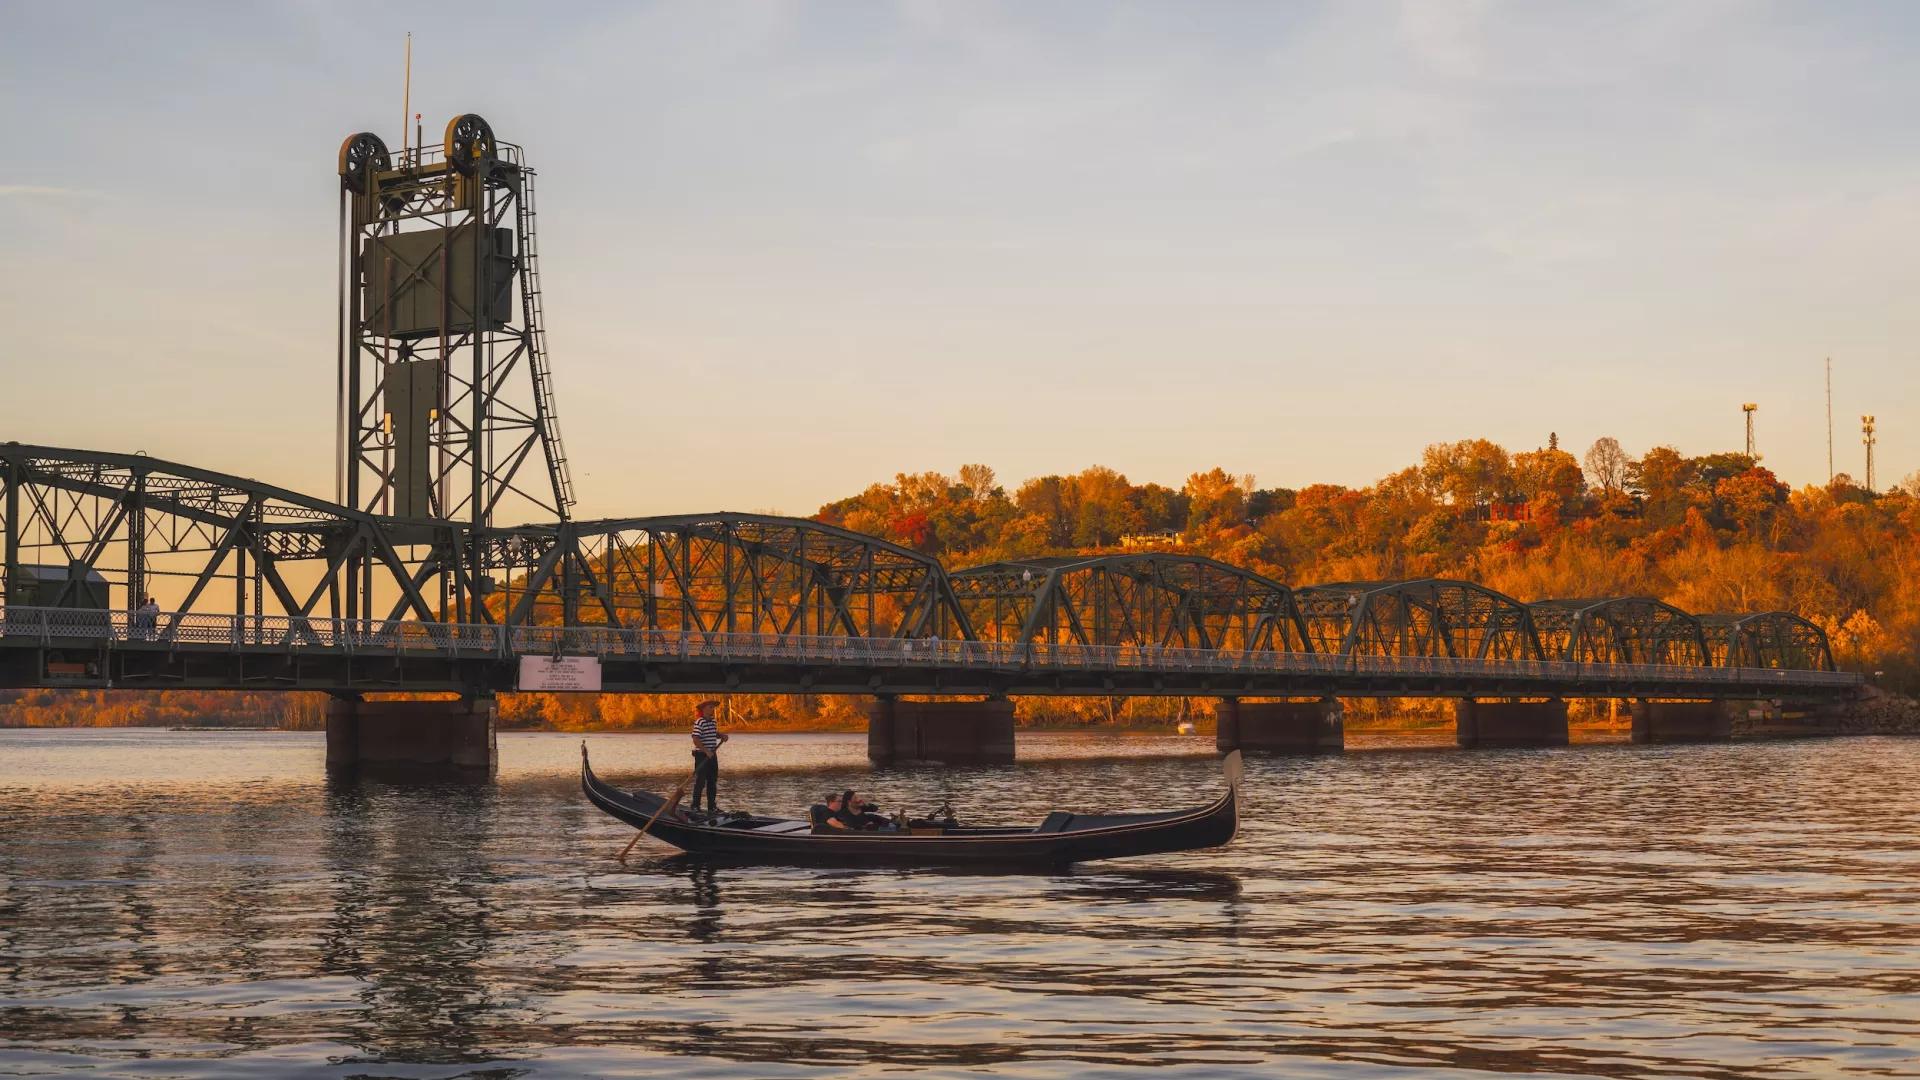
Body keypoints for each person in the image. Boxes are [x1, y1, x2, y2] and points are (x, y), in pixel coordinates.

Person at [689, 699, 726, 814]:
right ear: (704, 708)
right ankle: (695, 806)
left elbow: (712, 733)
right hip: (701, 755)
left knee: (712, 781)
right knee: (700, 781)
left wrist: (721, 735)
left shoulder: (713, 721)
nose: (712, 709)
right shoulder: (699, 722)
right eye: (710, 707)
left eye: (713, 707)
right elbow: (696, 739)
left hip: (712, 755)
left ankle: (712, 806)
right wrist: (706, 751)